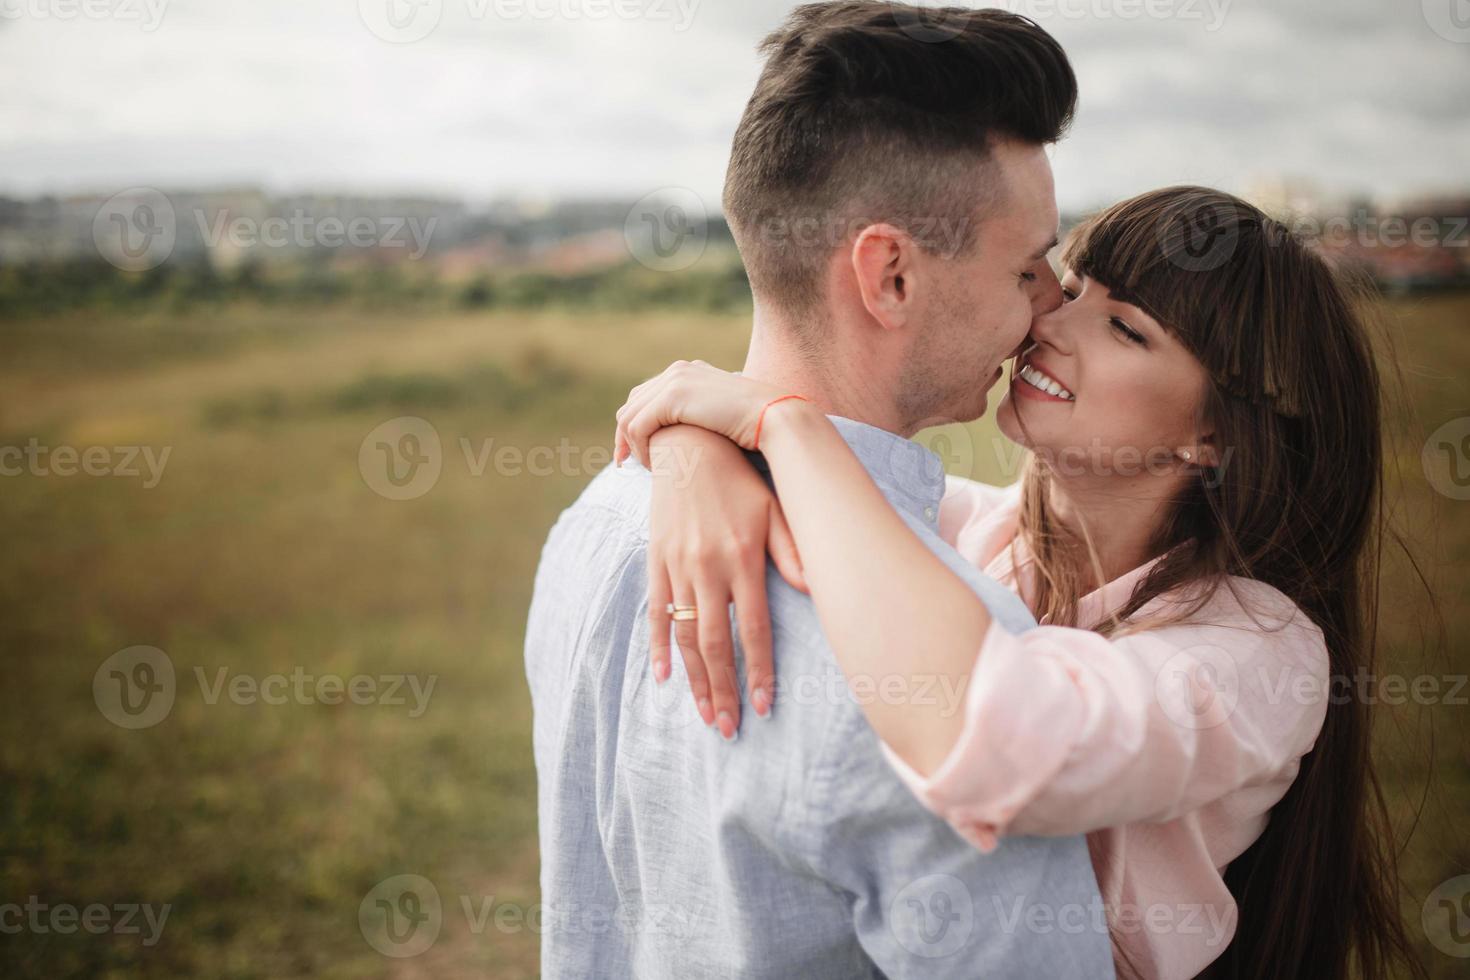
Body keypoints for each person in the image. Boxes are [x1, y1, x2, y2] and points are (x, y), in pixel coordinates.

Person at [613, 186, 1424, 979]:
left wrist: (781, 424)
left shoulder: (1262, 654)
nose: (1048, 320)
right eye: (1070, 286)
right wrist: (697, 453)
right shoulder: (963, 528)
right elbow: (736, 438)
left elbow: (996, 741)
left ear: (1212, 433)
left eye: (1123, 327)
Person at [524, 2, 1115, 977]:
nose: (1052, 299)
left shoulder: (594, 523)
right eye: (1026, 265)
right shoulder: (958, 675)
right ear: (887, 276)